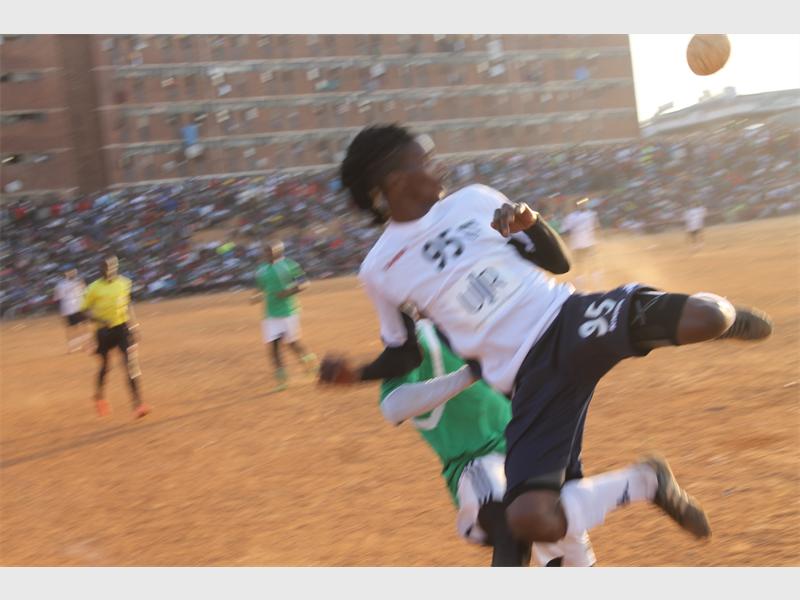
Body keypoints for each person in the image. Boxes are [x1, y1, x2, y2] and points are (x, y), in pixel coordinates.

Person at [320, 124, 773, 555]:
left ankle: (726, 321)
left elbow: (559, 263)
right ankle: (648, 480)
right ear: (397, 180)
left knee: (710, 316)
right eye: (427, 160)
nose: (440, 166)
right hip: (526, 378)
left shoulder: (474, 199)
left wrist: (530, 224)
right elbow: (404, 354)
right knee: (531, 518)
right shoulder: (379, 268)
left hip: (568, 320)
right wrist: (356, 373)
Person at [356, 311, 595, 567]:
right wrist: (467, 375)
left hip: (530, 450)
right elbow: (393, 407)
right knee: (510, 523)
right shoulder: (418, 339)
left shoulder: (485, 319)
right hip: (479, 459)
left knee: (570, 550)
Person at [80, 255, 150, 419]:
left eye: (112, 268)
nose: (109, 271)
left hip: (122, 328)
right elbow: (84, 311)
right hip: (103, 331)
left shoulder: (124, 283)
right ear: (101, 270)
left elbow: (127, 305)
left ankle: (138, 405)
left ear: (116, 268)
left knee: (130, 365)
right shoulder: (93, 288)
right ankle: (99, 397)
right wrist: (100, 320)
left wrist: (133, 326)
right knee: (105, 367)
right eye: (106, 268)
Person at [252, 241, 317, 391]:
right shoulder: (261, 269)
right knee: (273, 347)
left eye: (272, 251)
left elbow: (304, 283)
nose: (269, 254)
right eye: (266, 252)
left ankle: (310, 362)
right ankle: (282, 381)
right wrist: (255, 296)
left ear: (279, 251)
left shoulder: (289, 265)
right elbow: (260, 288)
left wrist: (288, 292)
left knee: (292, 343)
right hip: (270, 313)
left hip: (288, 311)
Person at [561, 198, 601, 288]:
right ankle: (580, 285)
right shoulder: (570, 217)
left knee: (593, 264)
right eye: (580, 203)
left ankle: (597, 284)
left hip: (590, 243)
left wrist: (598, 241)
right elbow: (565, 231)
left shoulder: (592, 214)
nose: (583, 205)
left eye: (584, 203)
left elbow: (596, 228)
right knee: (579, 265)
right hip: (577, 245)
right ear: (576, 205)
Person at [54, 267, 90, 353]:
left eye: (73, 272)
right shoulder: (61, 285)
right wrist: (61, 312)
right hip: (69, 308)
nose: (72, 273)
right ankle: (72, 347)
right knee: (71, 328)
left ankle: (85, 345)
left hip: (79, 306)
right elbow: (58, 299)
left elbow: (85, 293)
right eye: (70, 272)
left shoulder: (79, 282)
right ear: (66, 273)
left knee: (84, 326)